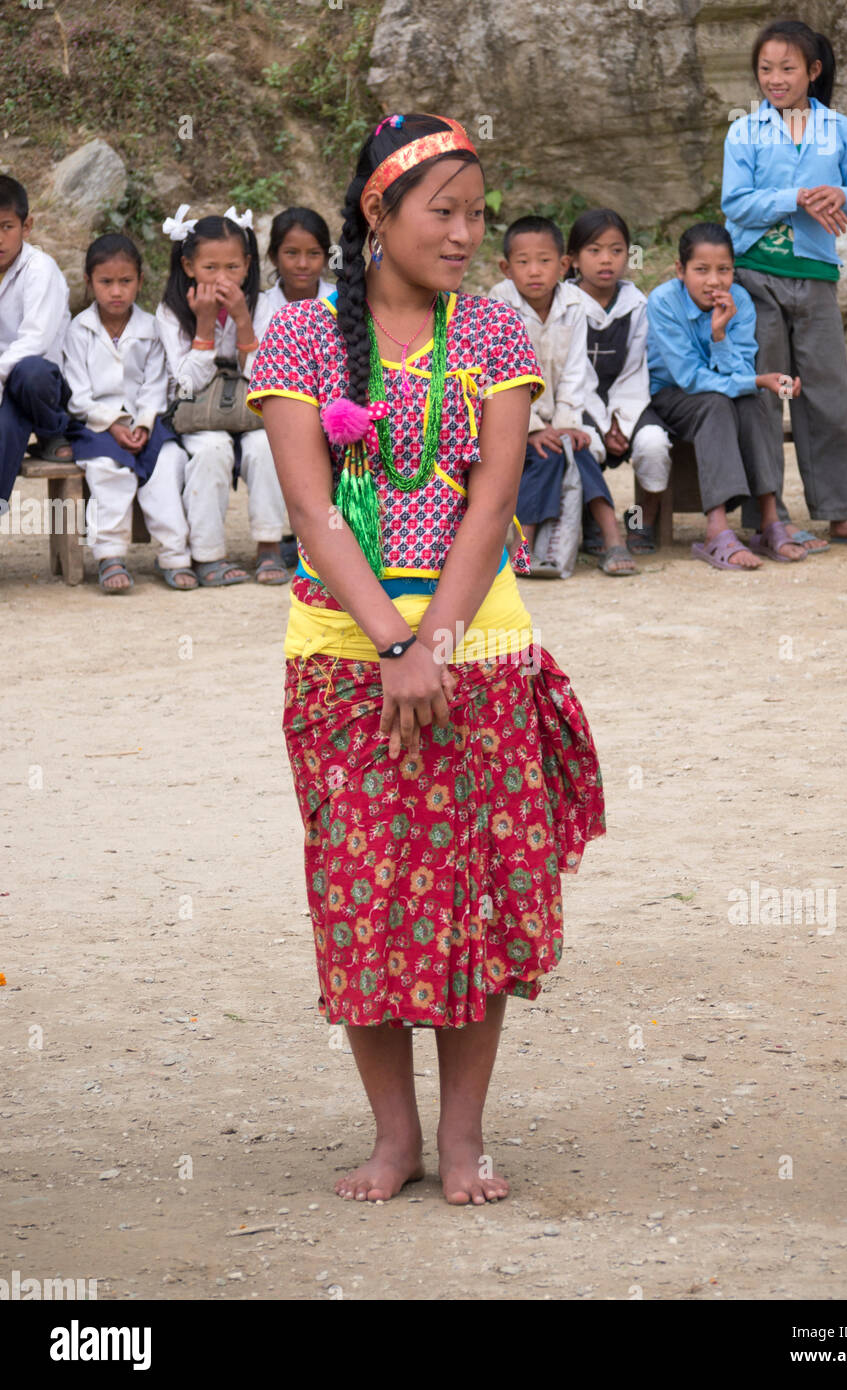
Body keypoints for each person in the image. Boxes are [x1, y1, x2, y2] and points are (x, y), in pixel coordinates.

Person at [246, 113, 605, 1207]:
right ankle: (392, 1137)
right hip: (343, 658)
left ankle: (463, 1137)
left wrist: (434, 643)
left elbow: (494, 501)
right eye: (441, 212)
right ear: (377, 214)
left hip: (479, 654)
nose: (464, 235)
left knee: (478, 900)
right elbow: (313, 511)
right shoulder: (300, 340)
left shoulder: (496, 336)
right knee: (363, 897)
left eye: (476, 216)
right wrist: (394, 646)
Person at [724, 18, 847, 551]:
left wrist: (842, 195)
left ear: (812, 72)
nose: (774, 78)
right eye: (766, 68)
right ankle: (767, 518)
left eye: (787, 68)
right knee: (766, 396)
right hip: (754, 276)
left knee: (827, 398)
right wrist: (793, 197)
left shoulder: (842, 131)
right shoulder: (745, 130)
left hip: (816, 278)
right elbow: (735, 204)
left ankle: (840, 515)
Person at [647, 223, 804, 569]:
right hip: (671, 398)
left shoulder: (741, 302)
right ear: (680, 270)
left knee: (753, 401)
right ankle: (716, 529)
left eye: (724, 270)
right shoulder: (663, 302)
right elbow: (688, 378)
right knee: (719, 402)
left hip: (717, 395)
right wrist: (756, 379)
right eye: (701, 270)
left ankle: (768, 521)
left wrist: (719, 334)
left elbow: (740, 373)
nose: (714, 281)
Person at [489, 214, 635, 575]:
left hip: (562, 413)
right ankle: (522, 546)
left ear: (563, 264)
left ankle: (613, 540)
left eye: (545, 261)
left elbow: (575, 371)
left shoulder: (574, 304)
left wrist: (567, 423)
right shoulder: (498, 305)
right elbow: (505, 375)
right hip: (510, 417)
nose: (534, 271)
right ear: (507, 268)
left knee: (578, 448)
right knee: (546, 454)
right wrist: (535, 427)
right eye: (523, 263)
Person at [155, 204, 289, 585]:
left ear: (247, 265)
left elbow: (267, 377)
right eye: (209, 268)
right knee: (212, 450)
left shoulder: (263, 305)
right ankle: (208, 554)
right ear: (188, 267)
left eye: (232, 267)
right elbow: (184, 385)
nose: (222, 277)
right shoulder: (171, 311)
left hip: (249, 410)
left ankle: (269, 545)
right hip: (198, 414)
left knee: (265, 447)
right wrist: (204, 325)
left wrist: (243, 322)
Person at [62, 233, 194, 591]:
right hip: (95, 425)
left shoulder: (151, 328)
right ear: (89, 283)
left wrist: (145, 422)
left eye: (126, 281)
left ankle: (174, 554)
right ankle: (110, 554)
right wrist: (114, 424)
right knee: (108, 469)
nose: (116, 291)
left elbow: (156, 384)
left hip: (147, 422)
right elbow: (76, 394)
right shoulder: (78, 331)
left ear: (139, 281)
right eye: (106, 282)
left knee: (167, 463)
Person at [565, 208, 672, 555]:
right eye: (594, 251)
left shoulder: (637, 304)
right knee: (586, 444)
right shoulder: (563, 304)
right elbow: (574, 372)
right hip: (579, 401)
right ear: (575, 259)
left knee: (653, 444)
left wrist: (620, 423)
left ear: (629, 255)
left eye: (616, 250)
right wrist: (601, 422)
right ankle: (594, 525)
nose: (606, 260)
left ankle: (641, 523)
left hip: (630, 400)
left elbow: (635, 369)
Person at [254, 207, 335, 570]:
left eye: (313, 253)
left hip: (334, 409)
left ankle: (330, 543)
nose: (302, 264)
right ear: (273, 256)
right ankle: (275, 545)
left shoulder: (341, 300)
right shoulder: (260, 306)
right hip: (277, 413)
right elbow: (253, 374)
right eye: (291, 253)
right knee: (266, 446)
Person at [0, 174, 72, 509]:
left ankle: (51, 431)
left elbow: (36, 341)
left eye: (6, 227)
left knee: (28, 373)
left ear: (26, 226)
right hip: (7, 390)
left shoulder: (40, 269)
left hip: (44, 387)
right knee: (9, 416)